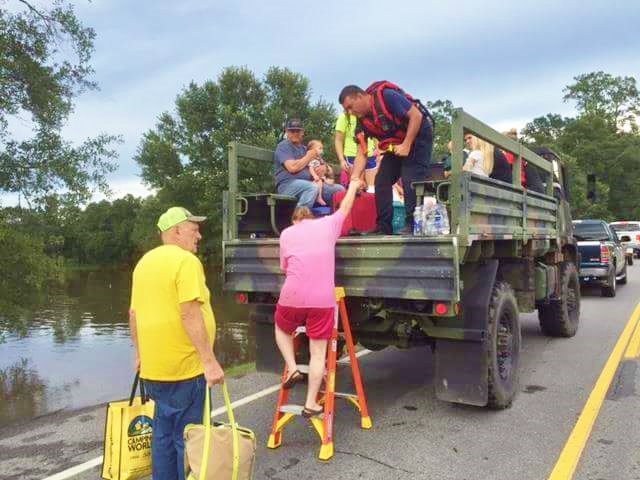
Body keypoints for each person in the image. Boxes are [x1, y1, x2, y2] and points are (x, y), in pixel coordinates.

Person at [129, 206, 225, 480]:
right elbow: (189, 311)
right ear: (176, 232)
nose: (199, 236)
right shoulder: (185, 261)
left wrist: (139, 354)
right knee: (190, 438)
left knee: (163, 437)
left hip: (154, 369)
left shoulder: (144, 263)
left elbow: (134, 314)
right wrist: (209, 362)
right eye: (194, 230)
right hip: (186, 369)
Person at [275, 179, 363, 416]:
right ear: (311, 217)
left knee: (281, 328)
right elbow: (345, 207)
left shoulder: (286, 233)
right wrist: (353, 186)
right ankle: (311, 402)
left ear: (295, 220)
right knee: (317, 354)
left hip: (291, 295)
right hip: (322, 300)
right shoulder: (327, 225)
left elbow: (284, 266)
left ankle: (292, 367)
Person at [339, 82, 434, 235]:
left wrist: (407, 144)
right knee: (381, 180)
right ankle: (384, 227)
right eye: (346, 110)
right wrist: (355, 178)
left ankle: (413, 225)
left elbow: (416, 115)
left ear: (360, 96)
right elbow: (362, 151)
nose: (350, 112)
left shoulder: (387, 97)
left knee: (410, 177)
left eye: (350, 107)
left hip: (418, 137)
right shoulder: (362, 120)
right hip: (397, 144)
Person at [274, 118, 344, 208]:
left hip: (310, 183)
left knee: (339, 190)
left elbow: (321, 165)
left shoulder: (305, 149)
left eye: (298, 131)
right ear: (287, 132)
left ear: (302, 132)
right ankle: (300, 219)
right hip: (287, 185)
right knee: (311, 188)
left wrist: (324, 168)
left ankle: (332, 220)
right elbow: (292, 167)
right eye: (292, 131)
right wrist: (309, 156)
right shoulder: (283, 146)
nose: (295, 133)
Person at [335, 111, 378, 189]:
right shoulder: (344, 117)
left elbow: (376, 136)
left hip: (370, 155)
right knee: (358, 187)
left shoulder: (368, 115)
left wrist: (379, 153)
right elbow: (338, 140)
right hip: (352, 155)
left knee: (373, 188)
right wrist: (341, 160)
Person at [307, 139, 330, 206]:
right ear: (312, 150)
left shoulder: (319, 159)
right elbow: (310, 168)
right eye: (320, 149)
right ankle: (319, 197)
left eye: (322, 149)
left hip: (322, 177)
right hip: (316, 178)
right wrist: (314, 175)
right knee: (319, 182)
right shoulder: (312, 159)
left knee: (329, 182)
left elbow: (325, 167)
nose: (322, 151)